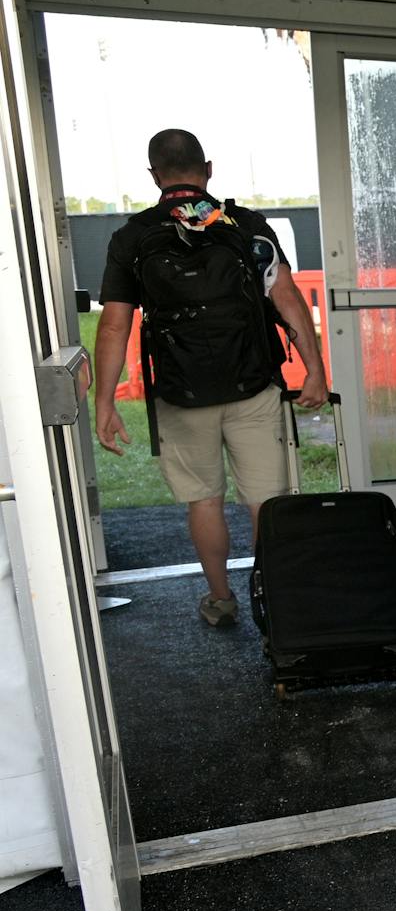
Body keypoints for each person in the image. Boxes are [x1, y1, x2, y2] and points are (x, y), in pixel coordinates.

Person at [91, 128, 329, 626]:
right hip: (253, 385)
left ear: (155, 175)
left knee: (204, 501)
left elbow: (115, 324)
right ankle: (274, 593)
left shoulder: (133, 237)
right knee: (265, 498)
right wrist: (314, 370)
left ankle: (221, 600)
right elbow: (287, 301)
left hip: (180, 394)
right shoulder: (245, 225)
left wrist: (105, 402)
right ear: (208, 170)